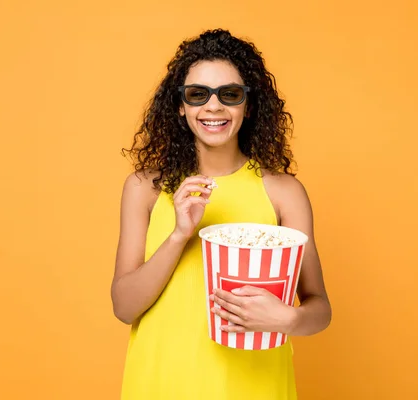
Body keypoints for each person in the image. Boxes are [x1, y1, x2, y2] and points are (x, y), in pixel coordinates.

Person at [111, 28, 332, 399]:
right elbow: (123, 306)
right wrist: (180, 234)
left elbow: (319, 307)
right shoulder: (145, 188)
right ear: (180, 105)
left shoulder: (283, 192)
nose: (213, 107)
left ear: (248, 104)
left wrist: (290, 318)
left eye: (229, 94)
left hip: (254, 385)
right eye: (198, 95)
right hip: (162, 383)